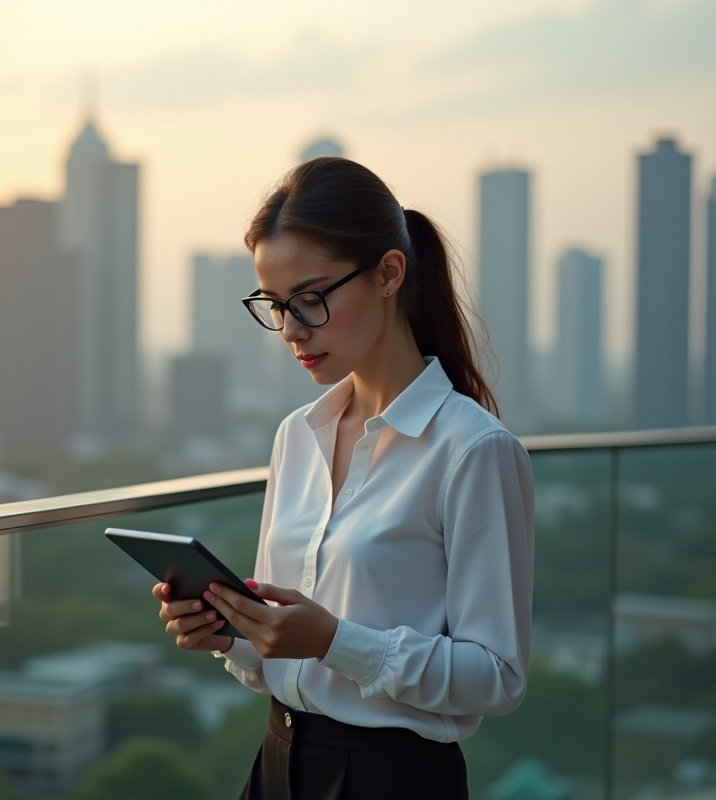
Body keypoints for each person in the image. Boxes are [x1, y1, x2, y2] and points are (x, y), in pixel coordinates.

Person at [152, 157, 534, 799]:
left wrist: (334, 640)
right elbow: (287, 652)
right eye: (276, 306)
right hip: (277, 762)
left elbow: (497, 677)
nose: (291, 331)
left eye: (311, 299)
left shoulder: (473, 450)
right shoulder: (296, 436)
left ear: (389, 273)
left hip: (394, 779)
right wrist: (232, 636)